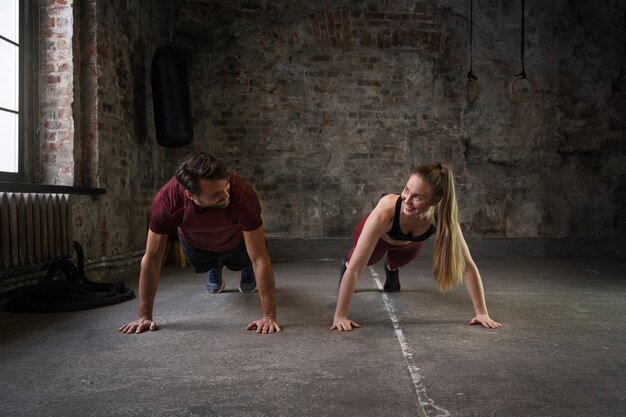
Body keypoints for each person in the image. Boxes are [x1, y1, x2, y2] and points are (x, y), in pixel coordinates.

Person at [119, 152, 281, 334]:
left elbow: (259, 257)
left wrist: (269, 316)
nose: (226, 195)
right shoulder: (167, 200)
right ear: (190, 194)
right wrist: (144, 316)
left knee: (248, 257)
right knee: (206, 260)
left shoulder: (242, 193)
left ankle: (245, 268)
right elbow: (152, 259)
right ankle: (215, 264)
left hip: (237, 244)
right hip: (197, 246)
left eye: (226, 186)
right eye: (216, 195)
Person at [331, 162, 502, 331]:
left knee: (400, 260)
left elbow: (468, 267)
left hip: (407, 242)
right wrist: (340, 315)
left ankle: (391, 268)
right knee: (361, 261)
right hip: (378, 236)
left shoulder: (442, 218)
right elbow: (356, 269)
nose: (407, 200)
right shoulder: (385, 211)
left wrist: (482, 312)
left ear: (436, 201)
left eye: (418, 197)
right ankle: (344, 263)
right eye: (406, 190)